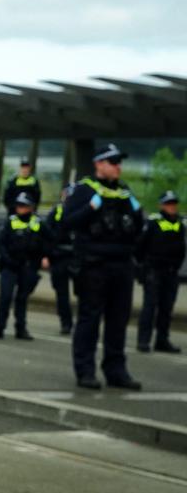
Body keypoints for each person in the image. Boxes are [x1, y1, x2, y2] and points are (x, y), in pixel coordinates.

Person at [60, 143, 143, 390]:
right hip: (93, 266)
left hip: (121, 266)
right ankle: (85, 370)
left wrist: (138, 212)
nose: (118, 167)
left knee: (118, 321)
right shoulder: (85, 191)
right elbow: (66, 223)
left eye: (119, 163)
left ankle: (116, 370)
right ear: (99, 164)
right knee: (90, 320)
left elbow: (138, 227)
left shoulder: (123, 193)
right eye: (113, 162)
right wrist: (91, 207)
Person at [0, 192, 48, 340]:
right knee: (5, 297)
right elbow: (1, 244)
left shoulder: (38, 223)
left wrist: (44, 257)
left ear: (31, 207)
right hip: (10, 266)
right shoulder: (10, 222)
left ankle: (21, 329)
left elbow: (48, 242)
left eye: (23, 205)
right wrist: (7, 260)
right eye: (18, 205)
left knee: (22, 299)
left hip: (28, 266)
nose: (20, 208)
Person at [135, 190, 184, 354]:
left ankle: (162, 340)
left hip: (171, 272)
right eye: (169, 204)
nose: (172, 207)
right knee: (150, 307)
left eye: (174, 204)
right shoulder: (153, 222)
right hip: (154, 271)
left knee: (166, 308)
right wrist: (142, 268)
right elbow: (140, 246)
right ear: (162, 205)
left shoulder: (179, 223)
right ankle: (143, 341)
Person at [47, 184, 78, 335]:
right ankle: (66, 323)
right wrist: (47, 255)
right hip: (59, 256)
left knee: (84, 292)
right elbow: (47, 233)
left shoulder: (81, 210)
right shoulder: (56, 211)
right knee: (62, 293)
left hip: (76, 256)